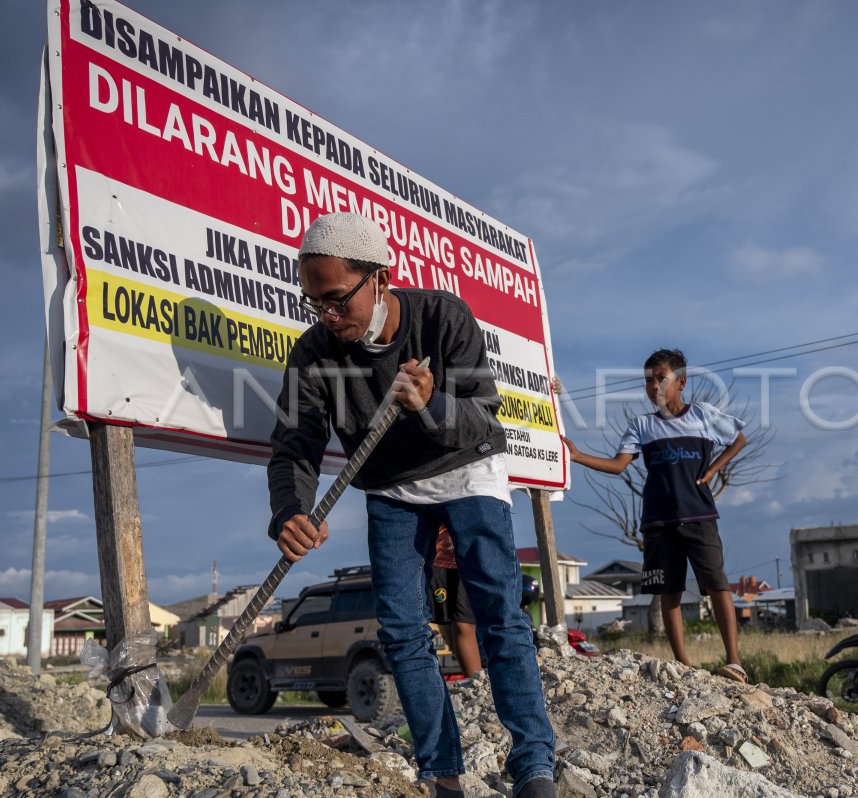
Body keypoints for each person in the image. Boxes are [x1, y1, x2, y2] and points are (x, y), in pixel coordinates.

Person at [267, 212, 555, 798]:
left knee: (498, 613)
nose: (326, 315)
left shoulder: (443, 318)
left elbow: (481, 415)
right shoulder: (314, 353)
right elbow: (294, 445)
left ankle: (534, 766)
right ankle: (441, 773)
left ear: (379, 277)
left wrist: (432, 402)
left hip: (467, 468)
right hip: (390, 489)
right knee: (401, 628)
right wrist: (289, 512)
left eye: (335, 299)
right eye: (312, 302)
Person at [559, 348, 750, 682]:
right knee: (669, 591)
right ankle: (682, 664)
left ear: (681, 382)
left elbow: (739, 440)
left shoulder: (703, 416)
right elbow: (618, 465)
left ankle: (734, 661)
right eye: (648, 380)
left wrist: (713, 471)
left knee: (717, 584)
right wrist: (578, 456)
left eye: (661, 378)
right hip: (658, 521)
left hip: (699, 516)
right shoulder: (642, 425)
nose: (654, 386)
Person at [431, 526, 482, 678]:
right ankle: (477, 687)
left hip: (476, 544)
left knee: (500, 620)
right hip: (440, 553)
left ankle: (481, 688)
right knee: (460, 622)